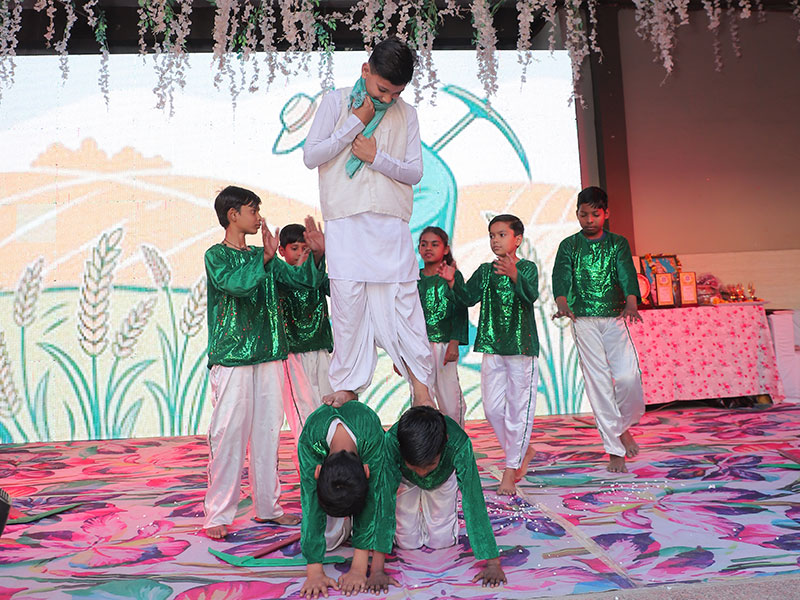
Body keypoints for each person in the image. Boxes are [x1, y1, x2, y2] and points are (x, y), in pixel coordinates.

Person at [302, 36, 434, 409]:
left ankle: (420, 385)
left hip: (390, 222)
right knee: (348, 304)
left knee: (404, 304)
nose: (388, 99)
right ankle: (348, 385)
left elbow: (414, 172)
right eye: (382, 89)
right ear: (366, 70)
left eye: (397, 93)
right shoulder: (336, 102)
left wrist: (377, 158)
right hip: (345, 221)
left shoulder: (407, 114)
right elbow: (312, 156)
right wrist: (353, 124)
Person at [203, 185, 326, 539]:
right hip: (232, 357)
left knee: (268, 434)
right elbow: (236, 285)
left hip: (270, 355)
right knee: (228, 435)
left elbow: (303, 283)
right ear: (233, 215)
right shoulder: (217, 256)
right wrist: (266, 260)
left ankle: (268, 508)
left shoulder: (265, 255)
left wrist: (318, 255)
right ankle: (217, 514)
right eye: (253, 211)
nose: (259, 218)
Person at [438, 214, 539, 496]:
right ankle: (523, 451)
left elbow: (531, 296)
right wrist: (453, 281)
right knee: (493, 409)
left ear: (518, 239)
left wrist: (515, 275)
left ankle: (510, 469)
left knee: (518, 409)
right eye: (492, 235)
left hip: (521, 347)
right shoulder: (485, 271)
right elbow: (467, 298)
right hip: (492, 346)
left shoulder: (527, 268)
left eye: (502, 235)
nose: (495, 240)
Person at [550, 185, 644, 474]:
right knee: (599, 384)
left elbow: (626, 273)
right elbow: (561, 276)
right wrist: (562, 303)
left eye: (595, 214)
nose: (589, 220)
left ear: (606, 214)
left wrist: (631, 303)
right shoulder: (569, 245)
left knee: (628, 377)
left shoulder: (618, 243)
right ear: (577, 214)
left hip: (615, 317)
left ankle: (622, 426)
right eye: (583, 215)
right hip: (583, 321)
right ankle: (615, 449)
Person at [367, 406, 506, 592]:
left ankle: (434, 517)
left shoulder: (459, 444)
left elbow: (473, 499)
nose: (422, 473)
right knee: (406, 543)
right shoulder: (392, 442)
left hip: (443, 478)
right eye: (416, 466)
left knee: (442, 541)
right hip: (404, 478)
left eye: (430, 464)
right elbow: (384, 498)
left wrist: (493, 563)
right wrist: (377, 570)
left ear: (445, 442)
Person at [298, 401, 385, 598]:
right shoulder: (310, 440)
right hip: (336, 480)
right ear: (318, 472)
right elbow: (310, 502)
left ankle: (348, 522)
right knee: (328, 542)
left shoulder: (371, 432)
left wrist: (359, 568)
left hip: (363, 470)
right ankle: (343, 523)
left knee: (383, 530)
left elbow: (373, 497)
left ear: (366, 470)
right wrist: (314, 572)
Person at [277, 223, 334, 445]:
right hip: (293, 354)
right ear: (281, 251)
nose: (301, 253)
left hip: (320, 348)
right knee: (303, 410)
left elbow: (339, 291)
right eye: (294, 248)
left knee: (328, 403)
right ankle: (309, 458)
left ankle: (330, 455)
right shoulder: (279, 277)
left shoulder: (317, 276)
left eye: (305, 248)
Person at [417, 226, 468, 425]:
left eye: (434, 244)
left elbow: (460, 308)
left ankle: (456, 436)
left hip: (445, 345)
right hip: (419, 346)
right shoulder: (414, 278)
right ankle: (426, 439)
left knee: (449, 398)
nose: (428, 248)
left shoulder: (452, 276)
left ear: (446, 249)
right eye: (424, 244)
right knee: (421, 396)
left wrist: (454, 342)